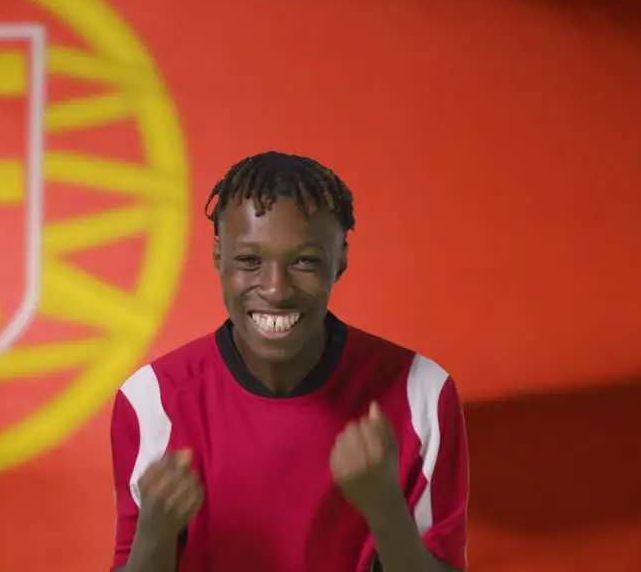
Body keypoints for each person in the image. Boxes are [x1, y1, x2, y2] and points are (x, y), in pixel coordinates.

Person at [109, 151, 468, 572]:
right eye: (249, 261)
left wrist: (385, 509)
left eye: (305, 261)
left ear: (341, 260)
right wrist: (155, 533)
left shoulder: (420, 390)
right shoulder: (151, 400)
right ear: (217, 258)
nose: (276, 290)